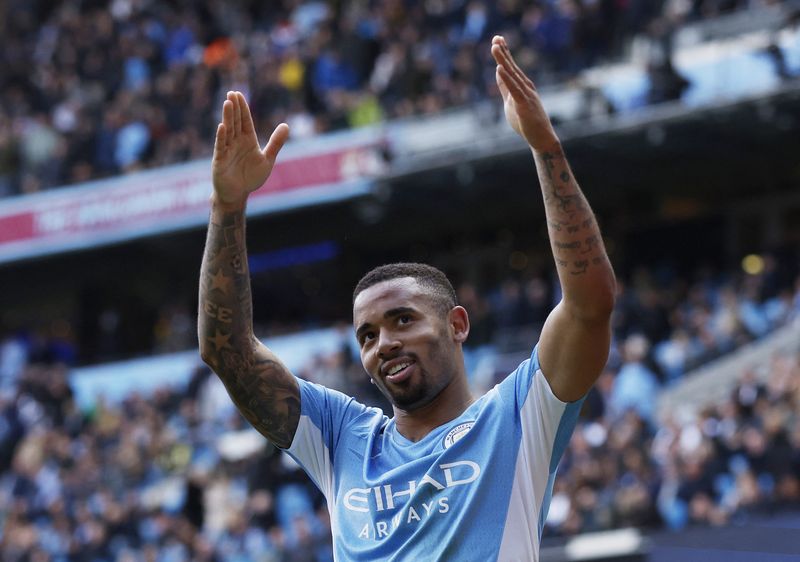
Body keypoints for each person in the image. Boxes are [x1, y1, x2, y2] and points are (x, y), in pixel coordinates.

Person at [198, 35, 615, 561]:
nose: (383, 344)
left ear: (458, 324)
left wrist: (545, 148)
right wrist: (228, 207)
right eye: (367, 335)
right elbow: (228, 353)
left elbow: (589, 303)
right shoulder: (341, 437)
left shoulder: (518, 416)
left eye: (401, 320)